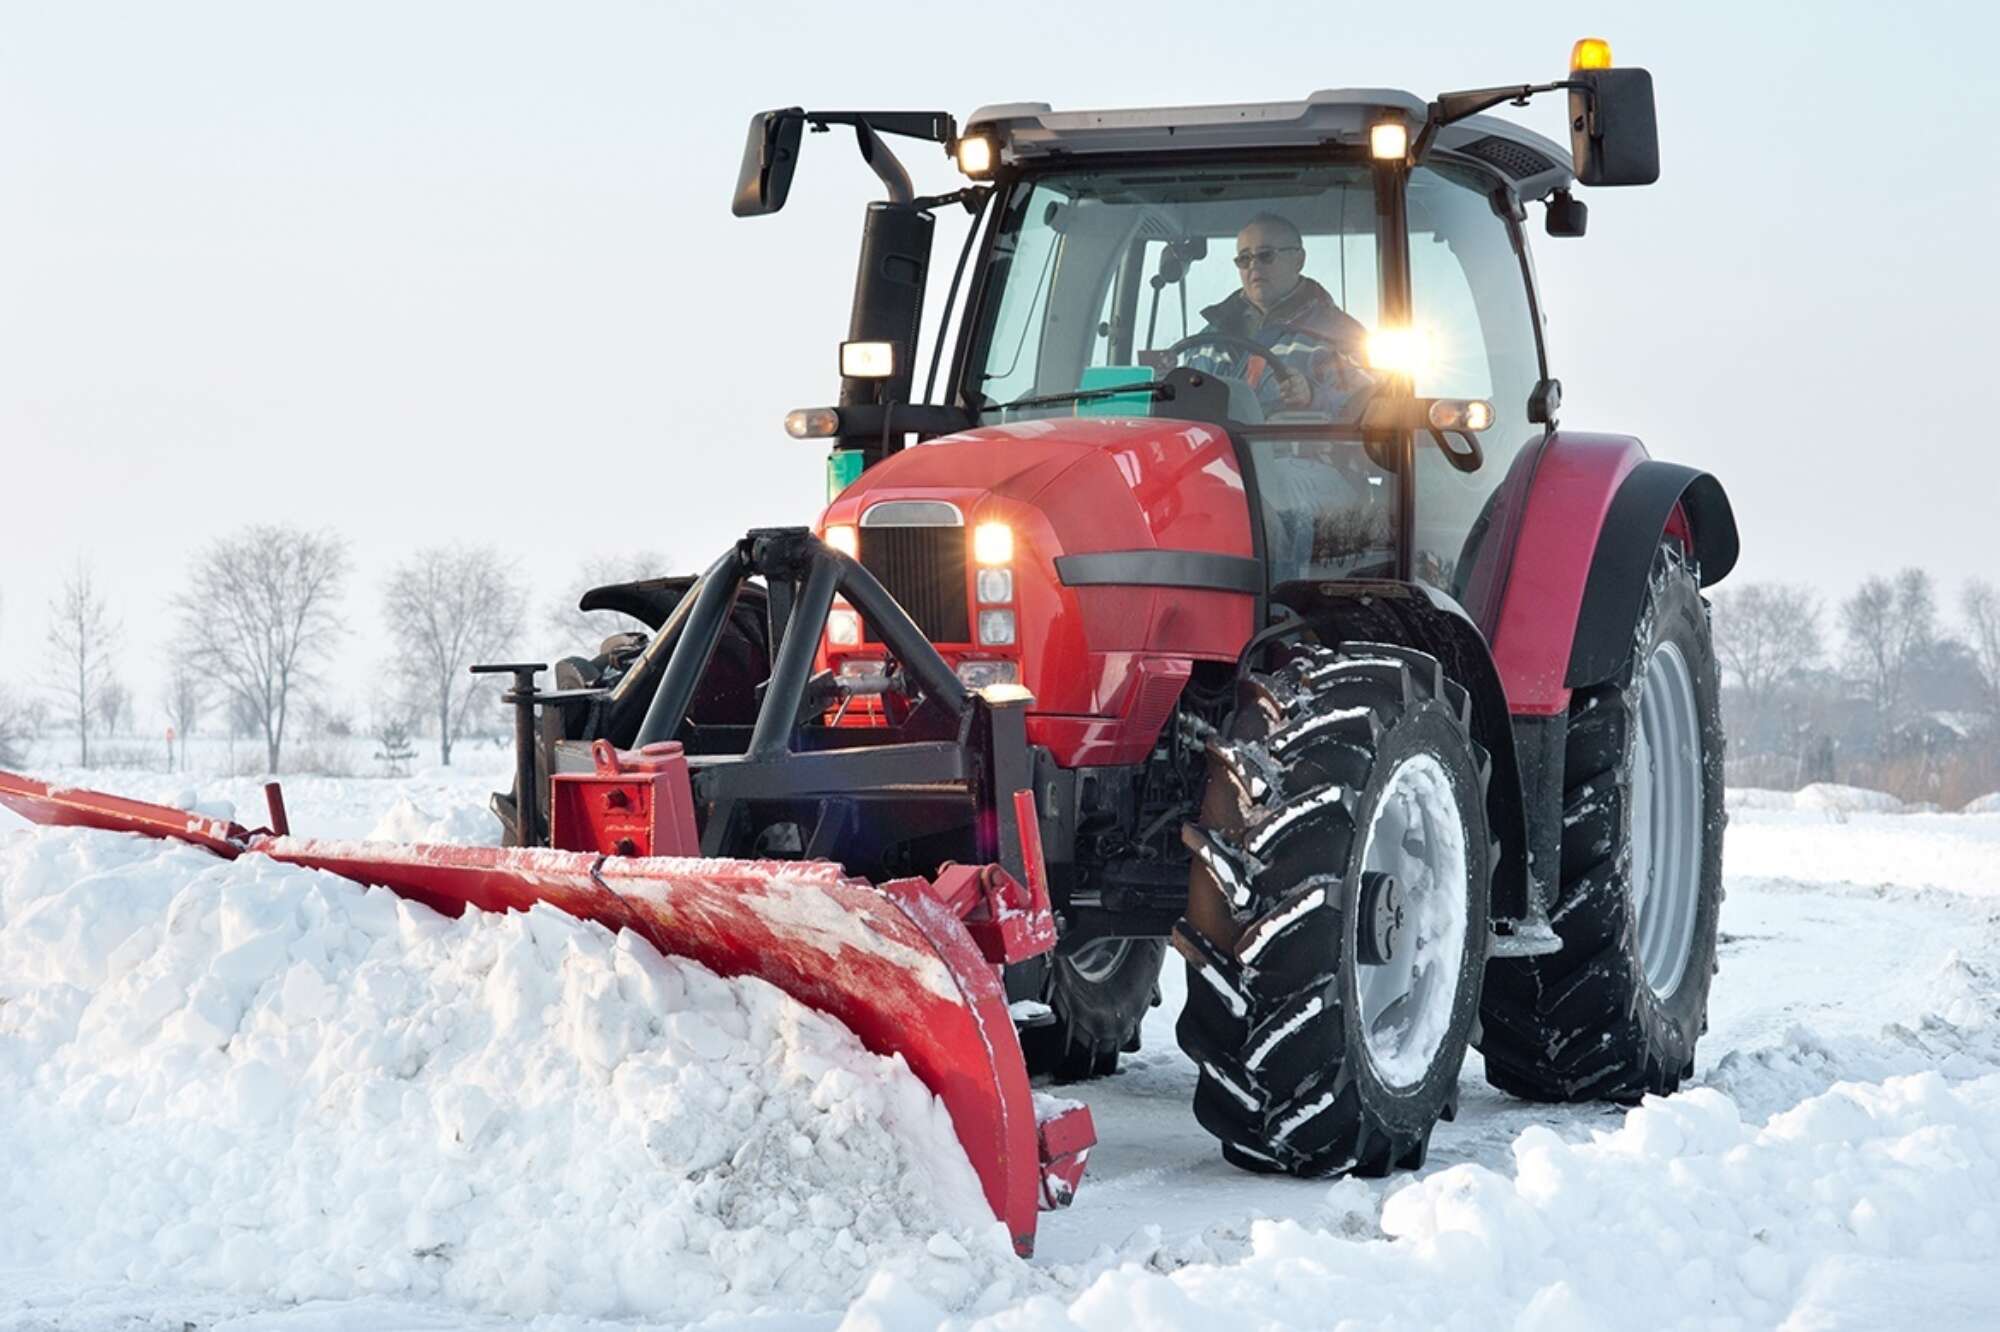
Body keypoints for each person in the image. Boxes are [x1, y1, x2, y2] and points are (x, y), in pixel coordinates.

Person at [1193, 213, 1368, 414]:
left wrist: (1312, 396)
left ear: (1298, 260)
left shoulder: (1341, 334)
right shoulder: (1209, 337)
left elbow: (1371, 405)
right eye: (1244, 258)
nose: (1253, 266)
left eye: (1266, 255)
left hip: (1307, 445)